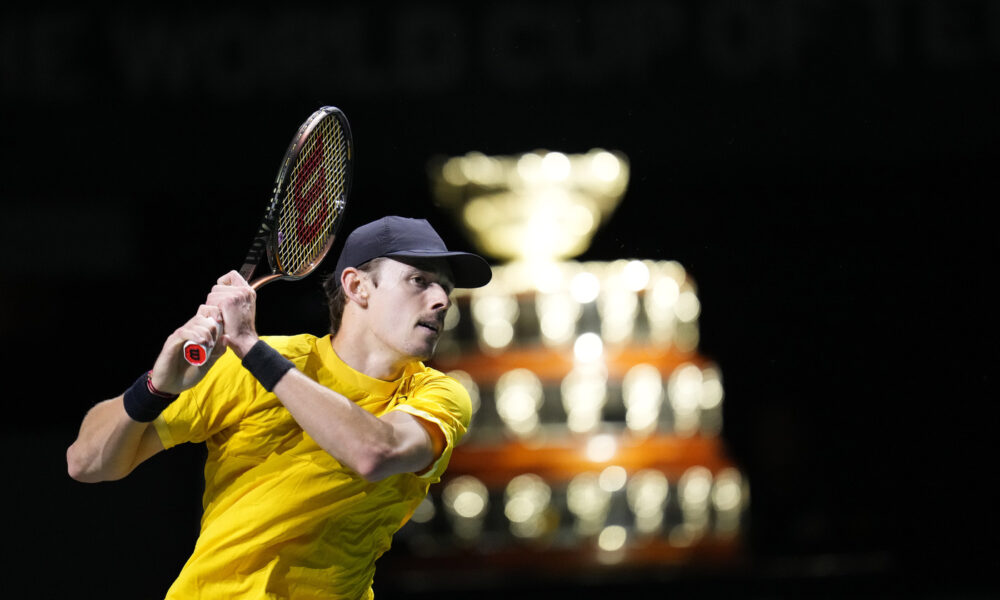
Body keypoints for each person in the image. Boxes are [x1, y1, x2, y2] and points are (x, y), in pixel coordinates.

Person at [66, 216, 492, 599]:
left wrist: (249, 346)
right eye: (420, 280)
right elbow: (87, 464)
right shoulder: (254, 365)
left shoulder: (438, 395)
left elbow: (374, 452)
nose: (441, 300)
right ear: (357, 286)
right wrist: (157, 387)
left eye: (446, 289)